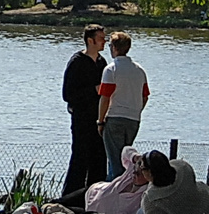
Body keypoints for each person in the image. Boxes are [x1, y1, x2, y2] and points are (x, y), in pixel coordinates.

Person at [60, 23, 108, 195]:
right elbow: (67, 95)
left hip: (99, 120)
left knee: (99, 159)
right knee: (80, 158)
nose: (105, 42)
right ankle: (71, 197)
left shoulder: (102, 63)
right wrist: (93, 90)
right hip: (81, 119)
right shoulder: (77, 62)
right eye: (101, 38)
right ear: (90, 40)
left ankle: (95, 198)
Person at [97, 31, 149, 180]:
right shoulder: (139, 70)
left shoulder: (111, 69)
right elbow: (144, 96)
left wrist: (100, 121)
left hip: (114, 118)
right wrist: (136, 110)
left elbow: (105, 98)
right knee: (127, 159)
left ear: (114, 47)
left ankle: (112, 194)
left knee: (115, 163)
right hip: (133, 120)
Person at [139, 149, 209, 214]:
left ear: (150, 172)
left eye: (142, 168)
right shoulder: (183, 167)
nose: (141, 171)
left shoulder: (151, 199)